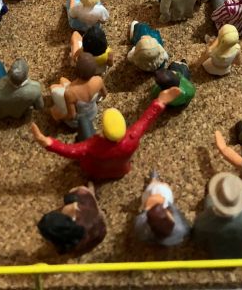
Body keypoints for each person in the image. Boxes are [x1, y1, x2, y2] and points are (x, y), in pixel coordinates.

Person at [29, 90, 180, 181]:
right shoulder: (132, 138)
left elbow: (70, 150)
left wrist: (47, 142)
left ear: (104, 131)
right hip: (121, 170)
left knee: (83, 124)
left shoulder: (91, 146)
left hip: (96, 171)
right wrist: (160, 102)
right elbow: (145, 120)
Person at [192, 172, 242, 259]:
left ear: (216, 200)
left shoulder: (203, 221)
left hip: (217, 256)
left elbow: (198, 242)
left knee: (208, 200)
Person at [37, 185, 107, 256]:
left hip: (82, 244)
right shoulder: (81, 198)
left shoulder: (69, 244)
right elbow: (80, 190)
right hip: (100, 231)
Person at [49, 53, 107, 131]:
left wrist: (60, 116)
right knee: (62, 80)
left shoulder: (70, 93)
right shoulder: (98, 80)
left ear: (77, 71)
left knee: (53, 89)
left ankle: (57, 124)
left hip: (78, 122)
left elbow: (72, 115)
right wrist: (92, 99)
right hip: (93, 113)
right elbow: (104, 94)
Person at [134, 172, 191, 247]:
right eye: (166, 211)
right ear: (172, 220)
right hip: (172, 241)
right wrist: (168, 203)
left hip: (153, 239)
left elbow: (141, 236)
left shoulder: (140, 225)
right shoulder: (181, 227)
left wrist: (147, 207)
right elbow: (187, 229)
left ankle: (153, 179)